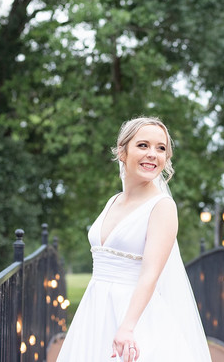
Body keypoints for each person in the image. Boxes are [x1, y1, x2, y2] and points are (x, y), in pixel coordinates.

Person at [56, 117, 212, 362]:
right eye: (143, 145)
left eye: (161, 149)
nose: (153, 154)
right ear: (122, 151)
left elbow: (150, 274)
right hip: (95, 309)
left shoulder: (162, 207)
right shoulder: (113, 201)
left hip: (134, 315)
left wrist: (127, 327)